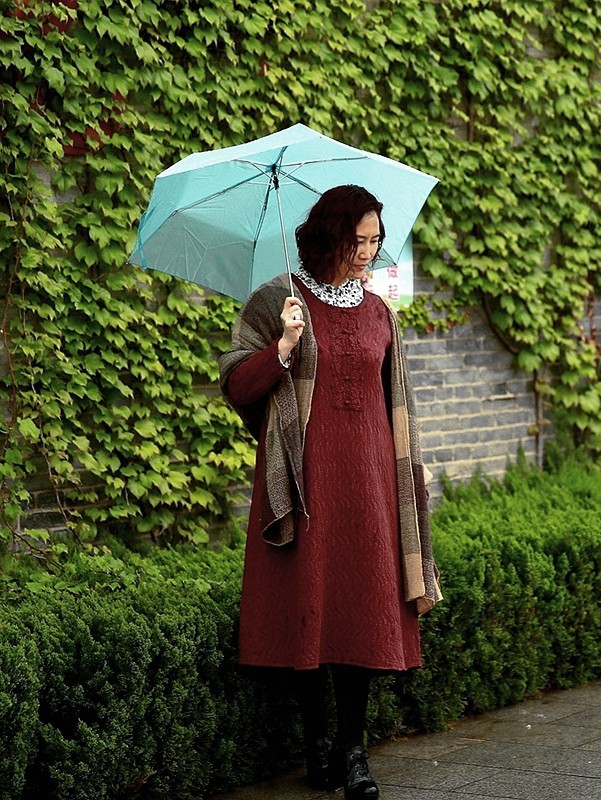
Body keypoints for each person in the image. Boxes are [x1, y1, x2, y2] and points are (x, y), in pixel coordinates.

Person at [218, 184, 441, 800]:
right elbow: (236, 385)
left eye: (375, 241)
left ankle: (352, 751)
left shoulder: (379, 312)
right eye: (358, 240)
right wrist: (283, 347)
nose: (368, 252)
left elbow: (395, 402)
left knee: (362, 610)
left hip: (370, 485)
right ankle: (316, 744)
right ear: (328, 237)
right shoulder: (278, 300)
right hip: (307, 482)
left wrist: (411, 470)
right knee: (309, 607)